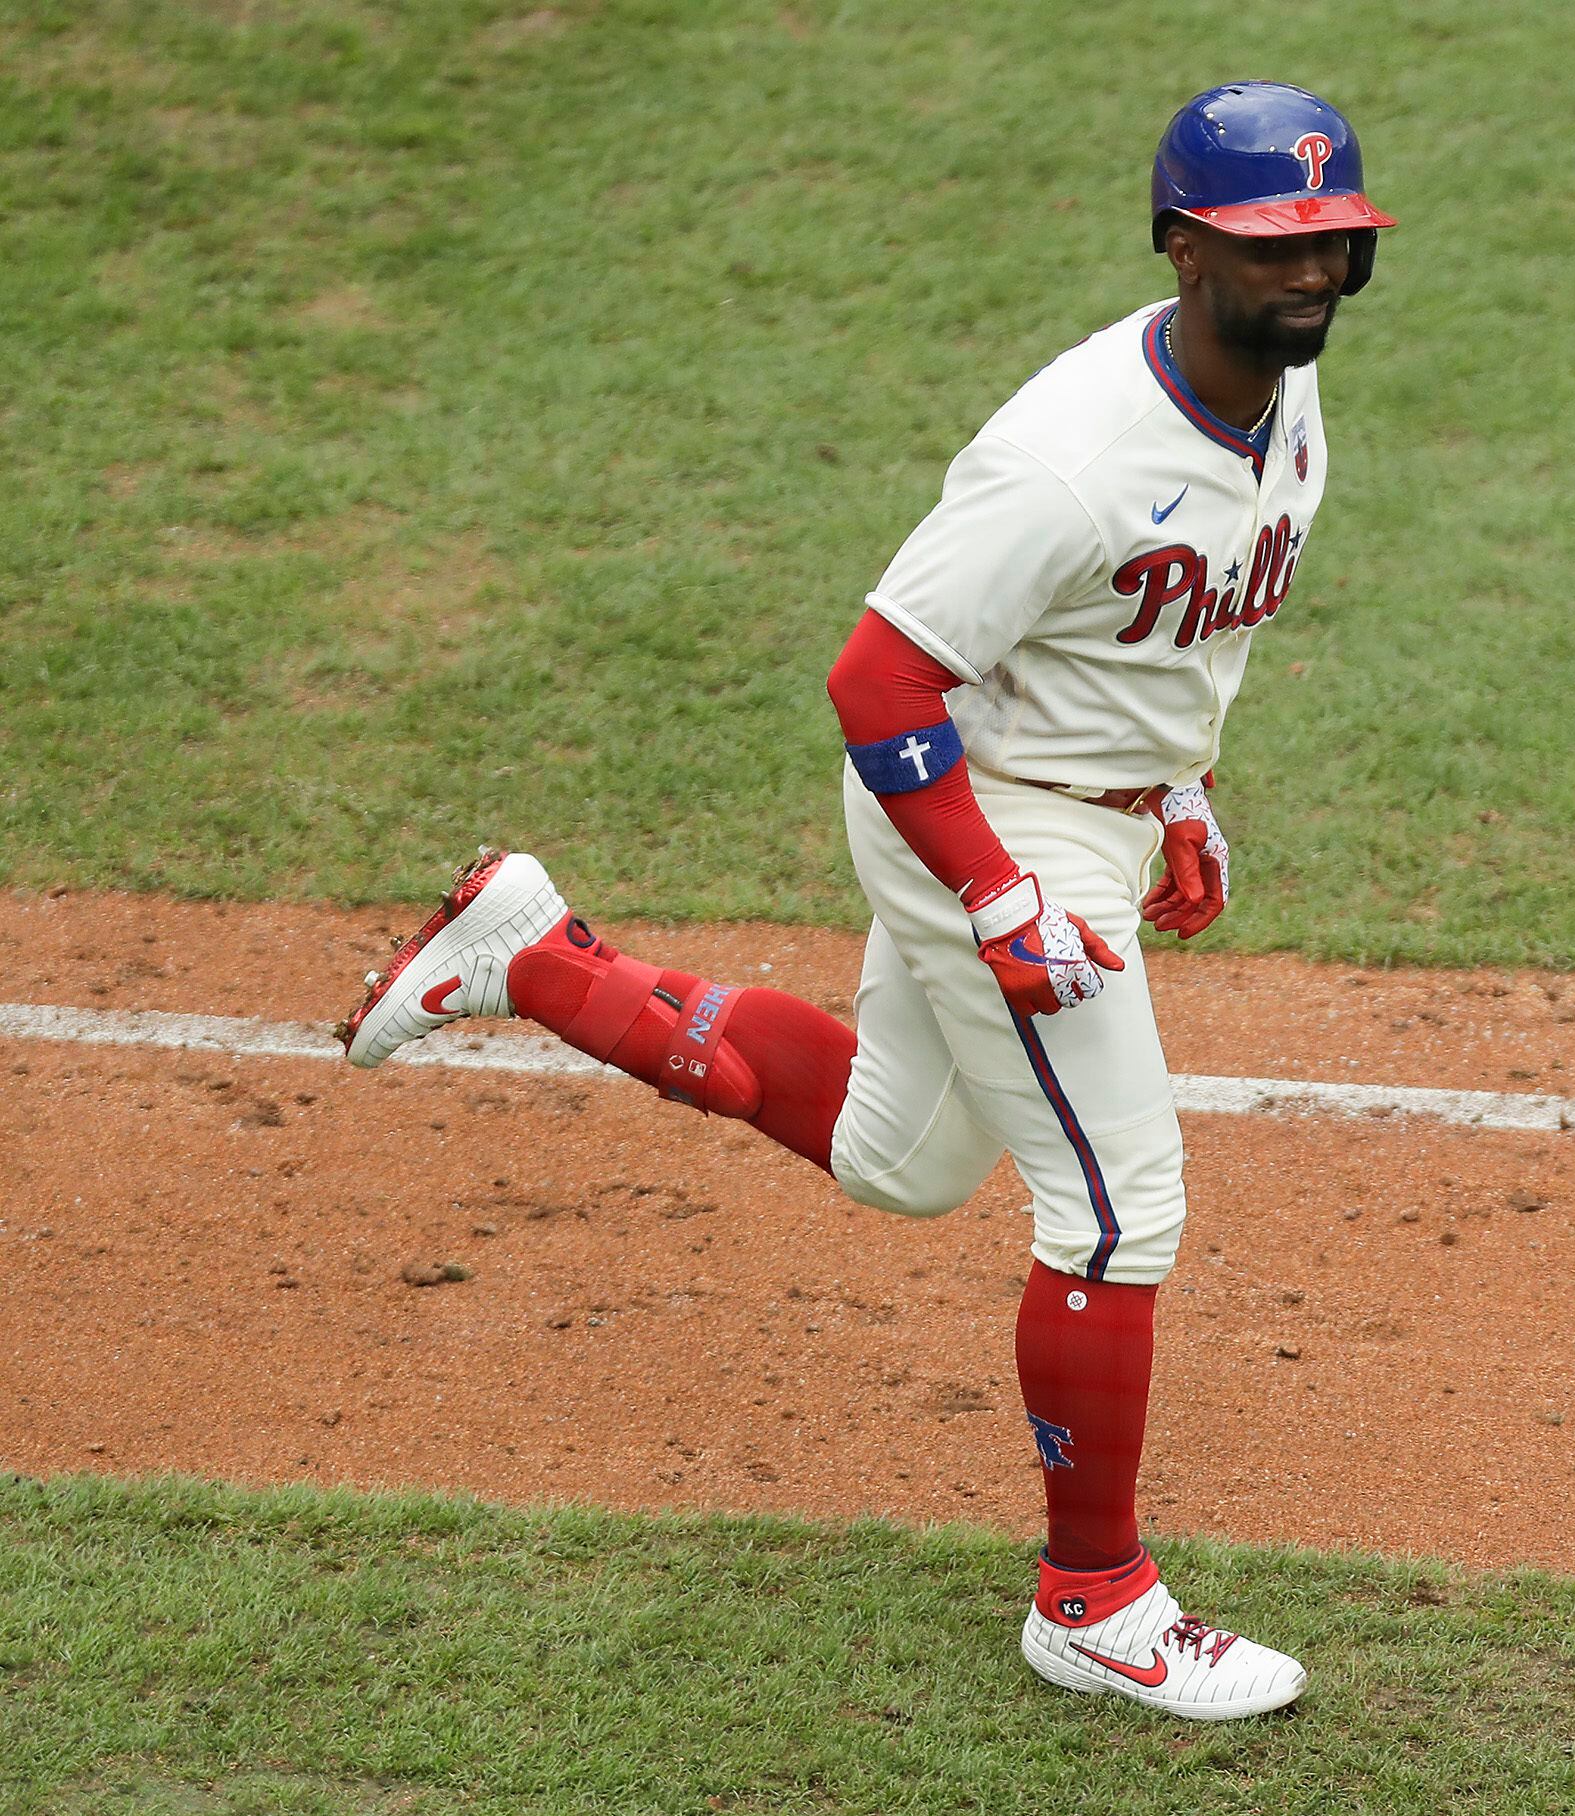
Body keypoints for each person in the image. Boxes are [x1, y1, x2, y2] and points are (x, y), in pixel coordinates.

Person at [337, 80, 1393, 1722]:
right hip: (978, 812)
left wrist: (1176, 792)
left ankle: (533, 952)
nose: (1311, 271)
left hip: (1077, 809)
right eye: (1274, 244)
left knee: (902, 1159)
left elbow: (1171, 635)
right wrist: (995, 896)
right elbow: (878, 680)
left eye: (1332, 240)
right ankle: (1093, 1602)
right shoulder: (1069, 459)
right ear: (1183, 246)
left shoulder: (1286, 400)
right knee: (1122, 1209)